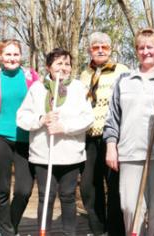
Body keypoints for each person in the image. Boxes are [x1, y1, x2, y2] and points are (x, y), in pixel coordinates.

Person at [17, 48, 94, 235]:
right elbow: (22, 117)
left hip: (70, 155)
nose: (64, 68)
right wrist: (42, 118)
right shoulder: (37, 88)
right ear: (48, 67)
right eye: (59, 63)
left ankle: (70, 233)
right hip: (44, 154)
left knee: (68, 196)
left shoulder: (78, 88)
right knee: (46, 196)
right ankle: (44, 231)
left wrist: (64, 127)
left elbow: (87, 119)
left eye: (67, 64)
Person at [104, 27, 154, 236]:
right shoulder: (124, 80)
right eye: (141, 47)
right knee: (129, 208)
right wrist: (111, 147)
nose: (145, 51)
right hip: (128, 153)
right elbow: (112, 117)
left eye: (150, 47)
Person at [0, 39, 40, 236]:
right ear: (0, 56)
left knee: (24, 190)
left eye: (15, 54)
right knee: (2, 189)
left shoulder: (31, 76)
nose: (12, 58)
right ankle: (6, 232)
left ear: (20, 56)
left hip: (25, 139)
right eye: (8, 54)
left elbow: (41, 103)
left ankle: (11, 225)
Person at [79, 31, 129, 235]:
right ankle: (97, 228)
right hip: (89, 138)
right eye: (95, 47)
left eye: (104, 47)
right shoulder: (84, 74)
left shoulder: (122, 71)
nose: (100, 50)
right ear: (90, 50)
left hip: (113, 138)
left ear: (110, 49)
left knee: (115, 185)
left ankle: (116, 229)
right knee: (89, 186)